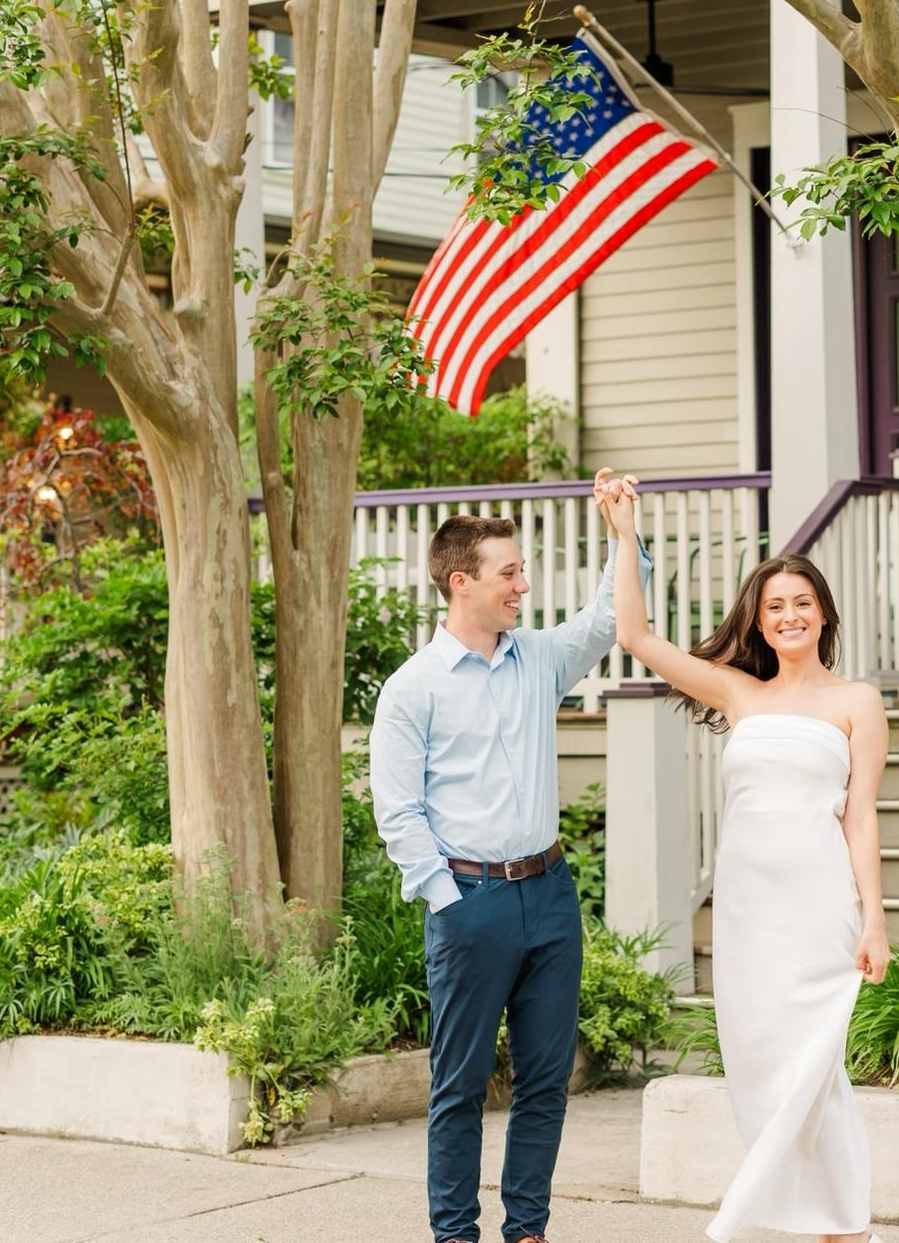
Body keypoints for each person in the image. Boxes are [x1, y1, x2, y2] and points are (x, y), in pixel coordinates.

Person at [600, 480, 890, 1243]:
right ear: (759, 623)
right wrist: (623, 534)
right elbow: (637, 636)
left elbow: (859, 816)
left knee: (817, 1068)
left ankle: (842, 1227)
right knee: (762, 1068)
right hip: (747, 913)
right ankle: (824, 1220)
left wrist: (875, 921)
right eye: (773, 608)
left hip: (820, 908)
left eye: (800, 602)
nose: (788, 616)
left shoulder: (858, 701)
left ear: (822, 612)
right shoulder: (738, 693)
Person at [370, 468, 650, 1243]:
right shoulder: (413, 688)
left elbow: (606, 619)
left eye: (521, 570)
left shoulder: (538, 659)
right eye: (509, 573)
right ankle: (454, 1233)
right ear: (462, 583)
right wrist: (448, 901)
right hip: (470, 903)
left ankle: (527, 1228)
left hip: (549, 897)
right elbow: (398, 812)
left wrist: (624, 533)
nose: (522, 585)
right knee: (457, 1087)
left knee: (546, 1082)